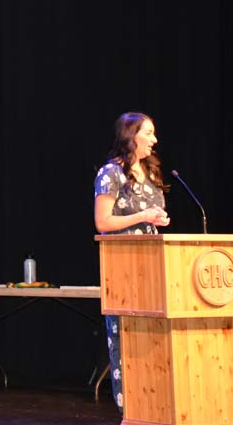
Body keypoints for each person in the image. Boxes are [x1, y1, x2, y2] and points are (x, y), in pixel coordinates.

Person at [93, 111, 171, 413]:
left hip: (152, 268)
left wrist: (158, 219)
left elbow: (149, 215)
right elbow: (103, 221)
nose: (154, 139)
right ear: (131, 135)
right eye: (148, 133)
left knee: (153, 341)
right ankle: (134, 411)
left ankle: (157, 407)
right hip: (124, 270)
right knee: (127, 343)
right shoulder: (111, 173)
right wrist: (142, 216)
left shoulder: (150, 173)